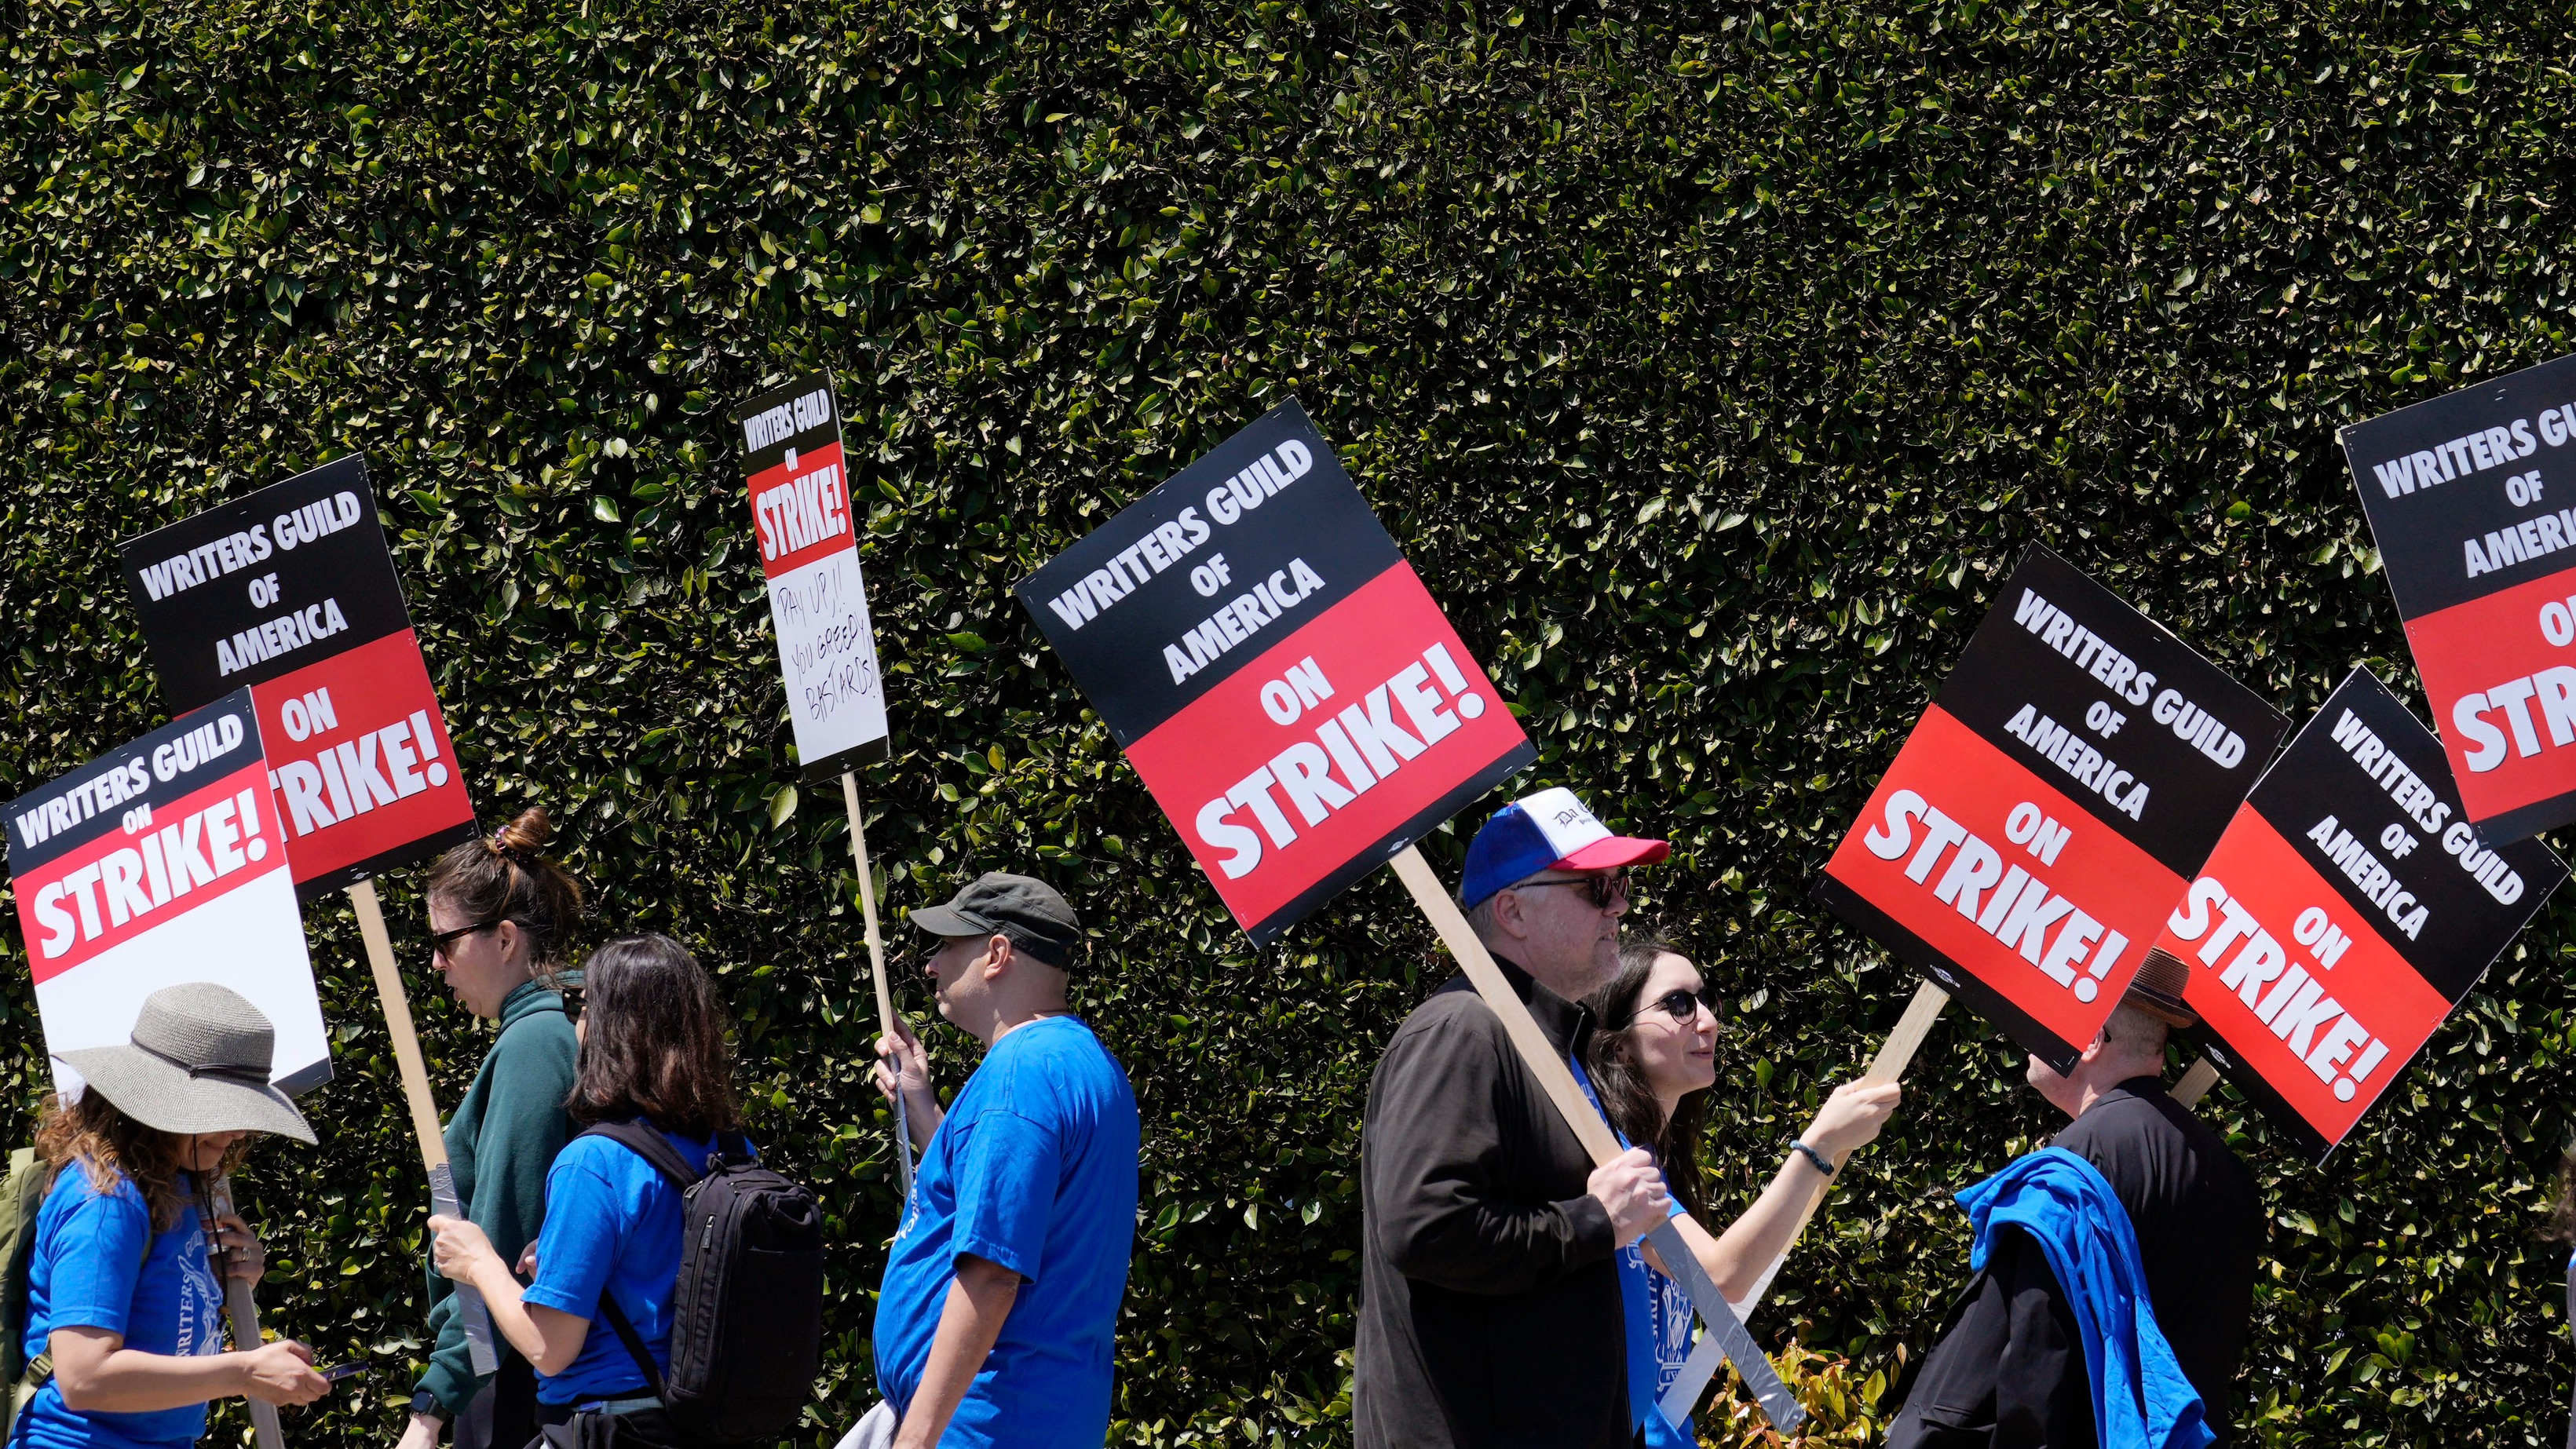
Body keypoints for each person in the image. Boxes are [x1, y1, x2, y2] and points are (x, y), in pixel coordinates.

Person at [1354, 786, 1675, 1449]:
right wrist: (1595, 1221)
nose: (1619, 906)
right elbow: (1427, 1228)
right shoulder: (1462, 1032)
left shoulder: (1546, 1043)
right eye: (1595, 887)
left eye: (1620, 885)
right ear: (1512, 911)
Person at [1885, 953, 2261, 1448]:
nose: (2029, 1027)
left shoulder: (2075, 1166)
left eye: (2049, 1009)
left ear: (2092, 1038)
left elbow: (2021, 1367)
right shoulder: (2233, 1176)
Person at [1580, 936, 1902, 1444]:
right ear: (1619, 1043)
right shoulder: (1607, 1160)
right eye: (1678, 1005)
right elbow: (1721, 1277)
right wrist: (1818, 1143)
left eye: (1707, 1000)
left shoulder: (1656, 1160)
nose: (1708, 1021)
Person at [427, 933, 744, 1449]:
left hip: (615, 1426)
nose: (574, 1022)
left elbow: (548, 1348)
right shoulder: (730, 1146)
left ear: (609, 1028)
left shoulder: (594, 1162)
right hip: (704, 1422)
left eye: (581, 1006)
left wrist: (480, 1262)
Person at [864, 872, 1141, 1449]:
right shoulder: (1086, 1064)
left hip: (985, 1424)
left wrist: (914, 1440)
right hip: (1037, 1417)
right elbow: (1004, 1206)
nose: (930, 965)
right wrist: (924, 1112)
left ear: (996, 954)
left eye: (947, 945)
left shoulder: (1019, 1075)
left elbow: (992, 1274)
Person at [16, 984, 331, 1449]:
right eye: (224, 1108)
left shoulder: (175, 1181)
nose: (240, 1130)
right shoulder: (105, 1201)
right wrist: (246, 1371)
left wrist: (224, 1283)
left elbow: (161, 1323)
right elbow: (83, 1377)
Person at [398, 808, 587, 1449]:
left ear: (505, 939)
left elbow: (497, 1240)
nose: (436, 963)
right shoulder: (567, 1025)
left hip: (513, 1374)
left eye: (445, 942)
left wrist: (430, 1409)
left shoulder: (535, 1045)